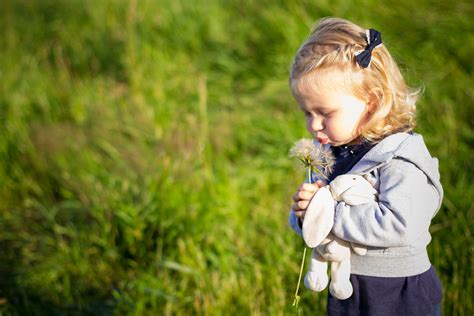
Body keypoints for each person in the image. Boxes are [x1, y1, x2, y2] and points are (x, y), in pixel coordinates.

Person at [287, 17, 443, 315]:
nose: (314, 125)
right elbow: (315, 226)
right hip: (347, 286)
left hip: (397, 291)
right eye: (307, 113)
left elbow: (400, 224)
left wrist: (328, 213)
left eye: (325, 113)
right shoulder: (329, 152)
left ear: (371, 102)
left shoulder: (399, 158)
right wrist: (304, 212)